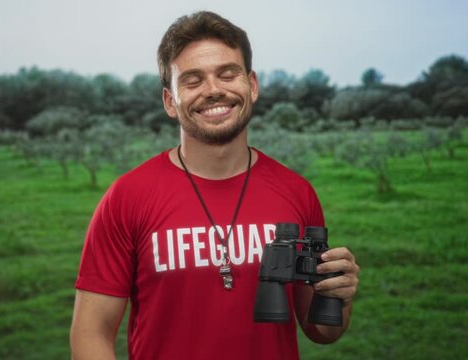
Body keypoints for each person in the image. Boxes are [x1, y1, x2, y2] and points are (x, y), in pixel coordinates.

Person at [70, 11, 360, 360]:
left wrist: (339, 296)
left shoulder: (296, 192)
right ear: (169, 102)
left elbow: (323, 331)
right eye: (192, 80)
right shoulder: (127, 197)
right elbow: (91, 333)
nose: (213, 90)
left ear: (251, 85)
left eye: (227, 74)